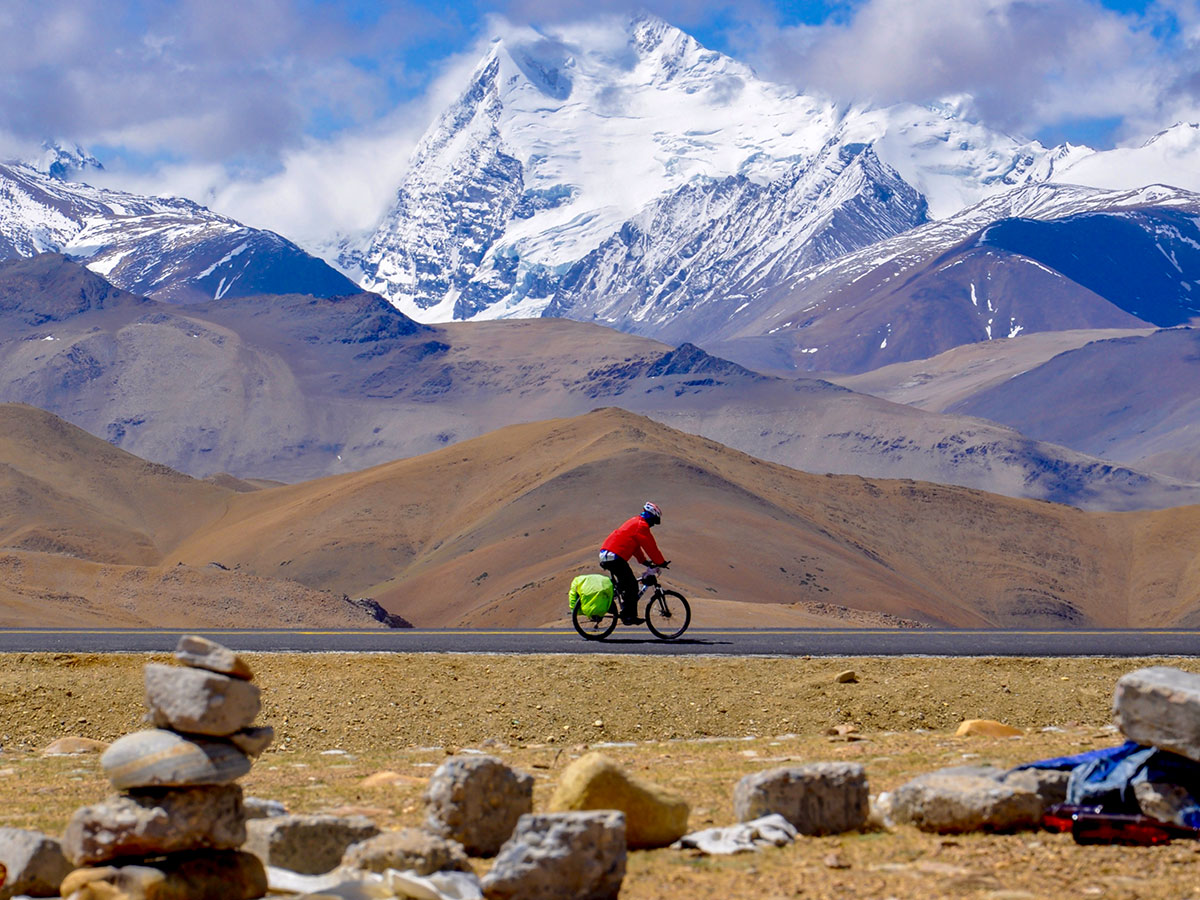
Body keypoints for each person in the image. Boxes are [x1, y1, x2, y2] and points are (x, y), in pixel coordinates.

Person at [599, 501, 669, 625]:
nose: (653, 524)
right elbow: (650, 546)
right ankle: (629, 616)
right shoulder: (641, 526)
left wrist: (644, 562)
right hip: (614, 556)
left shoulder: (635, 522)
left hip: (608, 555)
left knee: (625, 584)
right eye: (654, 521)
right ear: (651, 516)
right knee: (631, 584)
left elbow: (635, 547)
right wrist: (661, 562)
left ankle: (619, 606)